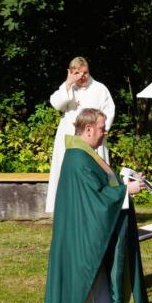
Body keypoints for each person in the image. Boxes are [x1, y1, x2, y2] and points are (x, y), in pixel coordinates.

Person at [35, 109, 151, 303]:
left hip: (94, 230)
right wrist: (125, 192)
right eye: (102, 128)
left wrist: (123, 183)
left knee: (99, 286)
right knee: (82, 281)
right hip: (83, 234)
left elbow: (100, 187)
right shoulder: (78, 158)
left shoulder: (88, 155)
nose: (105, 132)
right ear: (88, 129)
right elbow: (93, 199)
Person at [46, 56, 115, 213]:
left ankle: (96, 206)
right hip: (69, 138)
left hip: (93, 138)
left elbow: (109, 112)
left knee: (94, 173)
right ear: (70, 72)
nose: (82, 77)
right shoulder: (67, 88)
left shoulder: (100, 88)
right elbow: (56, 104)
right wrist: (68, 83)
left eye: (85, 73)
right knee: (66, 171)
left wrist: (101, 131)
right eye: (77, 73)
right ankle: (65, 207)